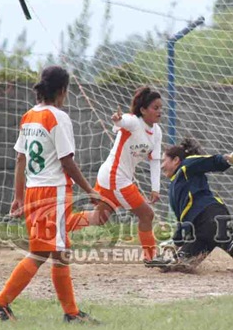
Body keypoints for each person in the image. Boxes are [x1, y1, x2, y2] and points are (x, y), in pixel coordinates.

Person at [0, 66, 100, 323]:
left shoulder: (29, 116)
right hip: (54, 192)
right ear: (62, 91)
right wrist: (90, 190)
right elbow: (67, 162)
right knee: (43, 254)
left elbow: (20, 159)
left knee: (56, 252)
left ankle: (70, 313)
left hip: (33, 190)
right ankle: (1, 303)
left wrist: (18, 196)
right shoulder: (58, 117)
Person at [147, 138, 233, 275]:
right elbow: (183, 219)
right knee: (179, 265)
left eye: (163, 161)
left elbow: (209, 162)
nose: (161, 166)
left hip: (210, 214)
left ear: (175, 160)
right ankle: (170, 261)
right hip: (199, 230)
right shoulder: (175, 187)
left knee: (231, 244)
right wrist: (175, 242)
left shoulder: (186, 166)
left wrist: (228, 159)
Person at [68, 86, 163, 262]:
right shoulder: (134, 122)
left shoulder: (157, 132)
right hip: (114, 177)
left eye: (160, 108)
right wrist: (117, 120)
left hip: (113, 178)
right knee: (147, 214)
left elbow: (155, 161)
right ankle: (151, 258)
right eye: (155, 108)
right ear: (143, 110)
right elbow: (123, 121)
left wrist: (155, 188)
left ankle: (56, 227)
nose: (160, 111)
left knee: (98, 218)